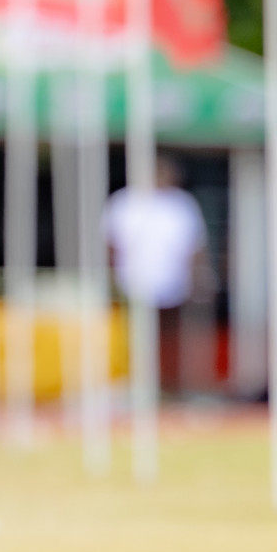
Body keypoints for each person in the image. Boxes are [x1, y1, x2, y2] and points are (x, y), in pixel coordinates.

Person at [102, 155, 211, 390]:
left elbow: (194, 246)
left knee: (169, 339)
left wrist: (197, 278)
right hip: (130, 283)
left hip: (173, 285)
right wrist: (111, 278)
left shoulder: (181, 203)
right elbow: (110, 245)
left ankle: (168, 385)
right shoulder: (124, 202)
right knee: (132, 336)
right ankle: (132, 383)